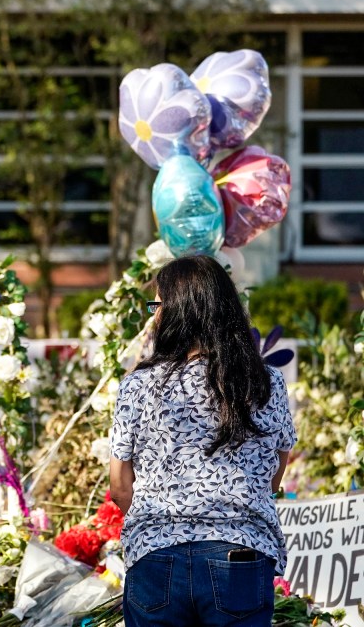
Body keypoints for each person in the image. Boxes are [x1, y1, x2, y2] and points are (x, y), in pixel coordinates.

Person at [109, 254, 297, 627]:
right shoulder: (265, 381)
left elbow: (119, 486)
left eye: (158, 305)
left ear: (180, 310)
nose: (154, 316)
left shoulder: (138, 385)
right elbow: (276, 471)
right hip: (240, 555)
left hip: (156, 555)